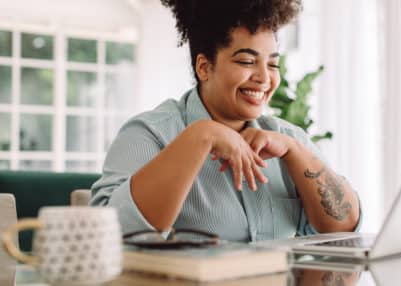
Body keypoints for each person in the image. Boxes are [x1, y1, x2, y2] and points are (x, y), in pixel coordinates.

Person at [91, 0, 361, 241]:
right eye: (246, 61)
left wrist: (295, 152)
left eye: (273, 65)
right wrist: (202, 136)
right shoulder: (148, 134)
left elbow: (344, 228)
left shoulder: (287, 139)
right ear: (204, 67)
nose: (265, 78)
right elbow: (107, 235)